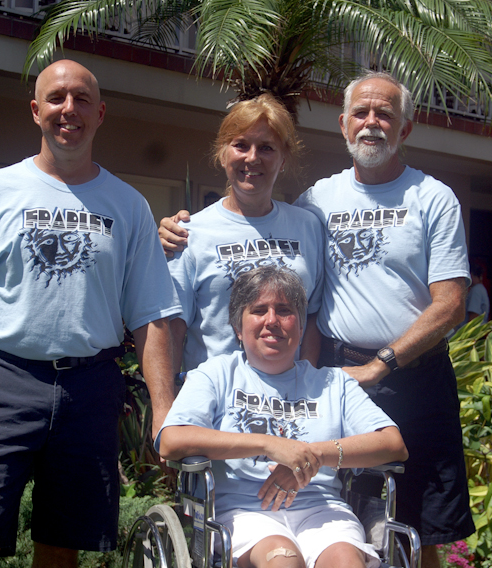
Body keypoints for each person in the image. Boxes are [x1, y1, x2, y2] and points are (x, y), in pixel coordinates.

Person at [159, 71, 474, 568]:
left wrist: (377, 367)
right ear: (344, 124)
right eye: (362, 114)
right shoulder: (314, 203)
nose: (372, 123)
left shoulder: (426, 198)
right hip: (256, 393)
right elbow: (170, 324)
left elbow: (451, 302)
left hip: (400, 376)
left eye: (385, 114)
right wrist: (168, 407)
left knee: (420, 526)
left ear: (405, 129)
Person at [0, 60, 181, 568]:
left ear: (101, 112)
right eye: (58, 98)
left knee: (62, 550)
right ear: (36, 110)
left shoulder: (128, 206)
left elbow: (152, 316)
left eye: (82, 99)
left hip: (90, 388)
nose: (70, 110)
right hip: (3, 380)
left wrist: (164, 409)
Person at [157, 266, 408, 568]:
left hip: (322, 509)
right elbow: (171, 441)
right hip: (245, 512)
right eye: (258, 310)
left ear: (301, 327)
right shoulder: (215, 374)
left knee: (346, 562)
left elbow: (393, 444)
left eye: (285, 310)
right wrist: (268, 444)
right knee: (282, 559)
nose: (271, 321)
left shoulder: (332, 383)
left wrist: (311, 455)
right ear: (238, 327)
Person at [167, 93, 324, 373]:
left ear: (284, 158)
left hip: (290, 401)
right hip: (216, 403)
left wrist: (306, 380)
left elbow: (312, 317)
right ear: (222, 152)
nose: (252, 158)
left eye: (266, 148)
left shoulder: (308, 226)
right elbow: (172, 330)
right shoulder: (189, 234)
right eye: (241, 145)